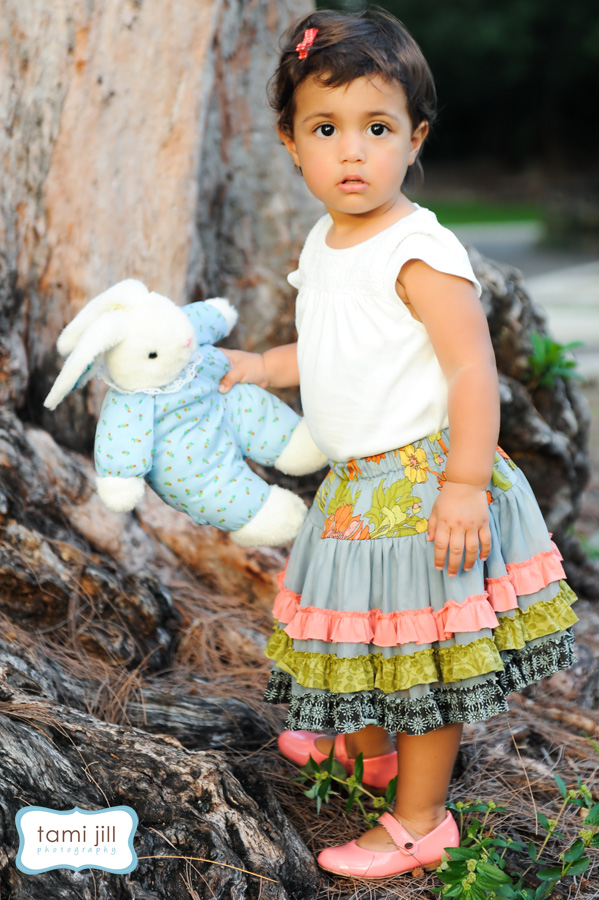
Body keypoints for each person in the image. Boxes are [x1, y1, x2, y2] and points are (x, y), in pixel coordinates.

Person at [218, 8, 577, 879]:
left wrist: (461, 485)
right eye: (326, 128)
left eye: (375, 128)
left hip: (422, 483)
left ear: (413, 138)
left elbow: (468, 371)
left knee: (419, 654)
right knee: (370, 638)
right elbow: (347, 345)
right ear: (290, 141)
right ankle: (372, 756)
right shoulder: (327, 240)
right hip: (356, 487)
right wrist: (265, 363)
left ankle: (420, 819)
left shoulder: (419, 248)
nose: (351, 151)